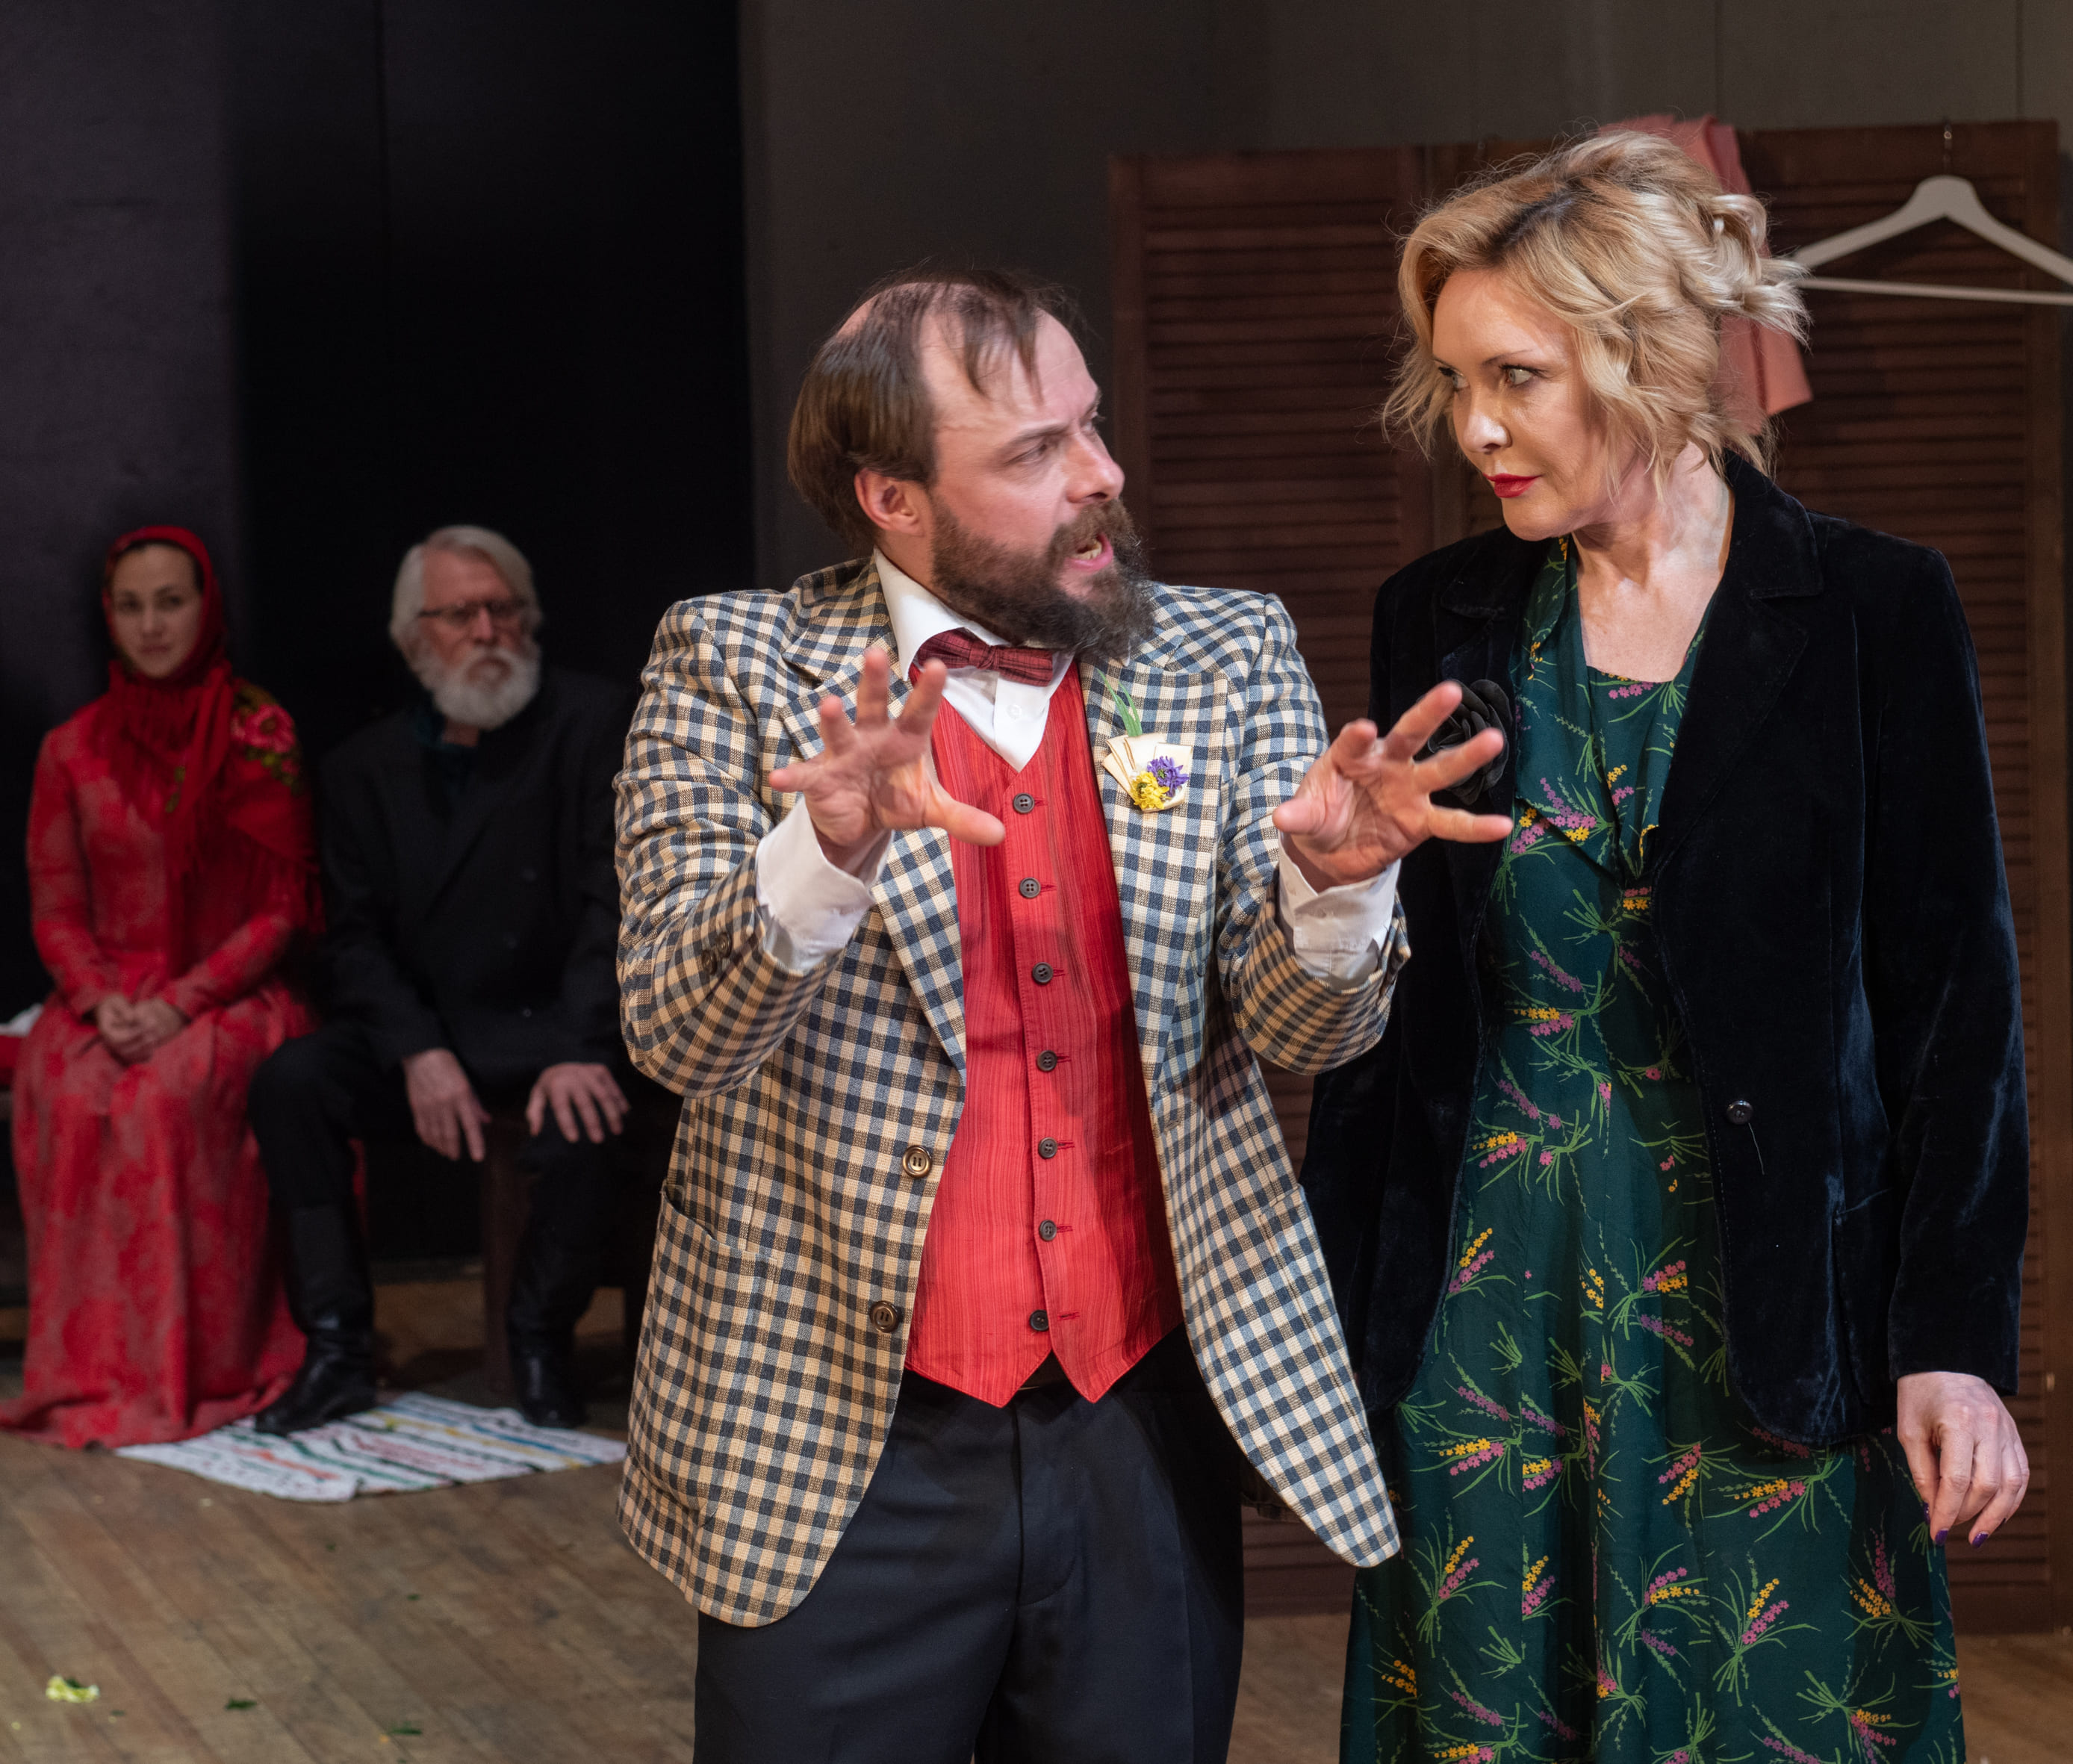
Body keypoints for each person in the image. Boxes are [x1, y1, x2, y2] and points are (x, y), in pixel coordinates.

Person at [613, 267, 1505, 1763]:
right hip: (836, 1439)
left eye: (1088, 426)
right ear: (892, 497)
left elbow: (1308, 1034)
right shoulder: (734, 663)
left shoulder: (1222, 651)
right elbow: (675, 1032)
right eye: (1035, 450)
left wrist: (1334, 890)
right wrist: (822, 852)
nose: (1100, 476)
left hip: (1137, 1427)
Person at [1299, 132, 2033, 1763]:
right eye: (1455, 383)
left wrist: (1951, 1346)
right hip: (1488, 1308)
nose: (1476, 428)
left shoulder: (1872, 609)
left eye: (1517, 377)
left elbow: (1955, 1015)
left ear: (1644, 354)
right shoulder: (1438, 615)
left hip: (1771, 1310)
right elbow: (1395, 1034)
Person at [247, 526, 635, 1432]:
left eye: (503, 609)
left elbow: (613, 900)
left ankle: (539, 1336)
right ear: (413, 638)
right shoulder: (362, 769)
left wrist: (581, 1042)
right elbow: (352, 940)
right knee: (291, 1082)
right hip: (435, 1033)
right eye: (461, 615)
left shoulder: (593, 723)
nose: (487, 631)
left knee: (591, 1115)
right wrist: (416, 1049)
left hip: (554, 1023)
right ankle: (337, 1348)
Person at [5, 526, 318, 1448]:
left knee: (164, 1102)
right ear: (108, 616)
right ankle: (90, 1375)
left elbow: (280, 911)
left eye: (170, 602)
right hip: (105, 996)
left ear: (205, 606)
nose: (151, 625)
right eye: (131, 606)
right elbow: (57, 905)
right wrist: (98, 999)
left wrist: (183, 1001)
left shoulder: (260, 733)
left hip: (226, 993)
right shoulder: (72, 749)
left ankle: (194, 1369)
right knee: (72, 1092)